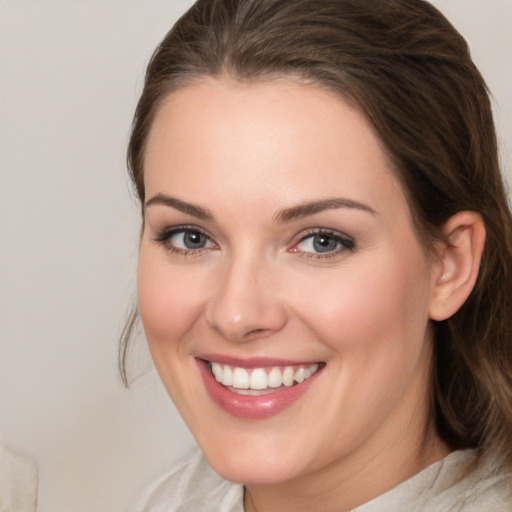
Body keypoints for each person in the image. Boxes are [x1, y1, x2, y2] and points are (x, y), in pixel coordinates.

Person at [123, 0, 512, 510]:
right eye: (191, 237)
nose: (236, 314)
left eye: (321, 241)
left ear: (449, 264)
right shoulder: (169, 500)